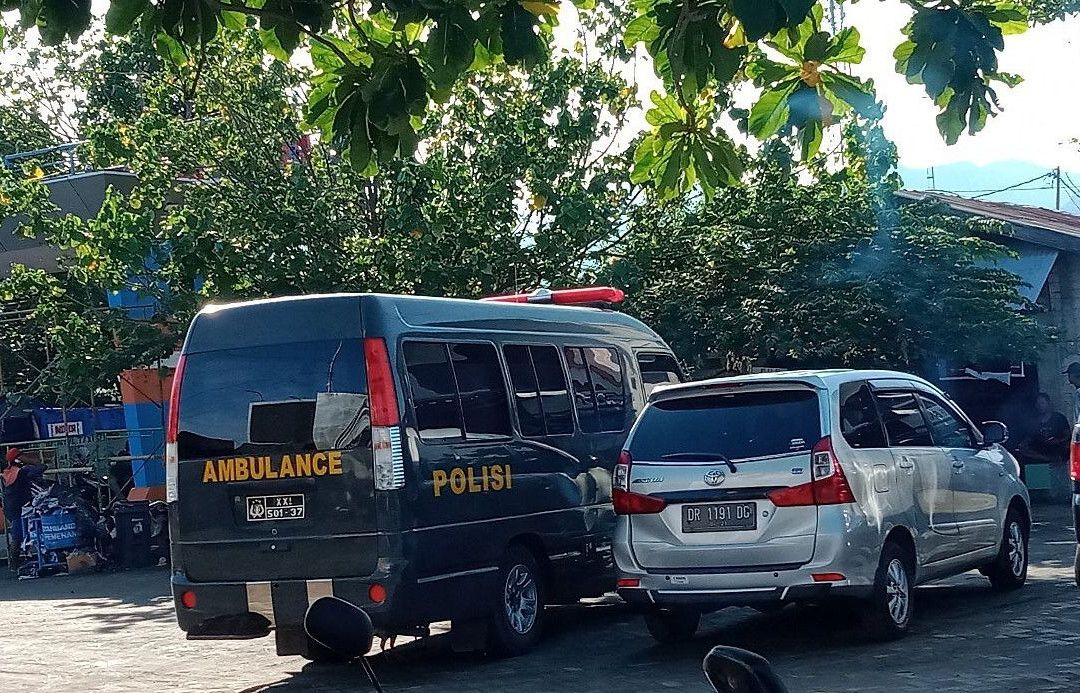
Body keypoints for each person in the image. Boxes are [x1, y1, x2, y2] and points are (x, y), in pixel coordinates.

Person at [1, 447, 45, 567]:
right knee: (19, 534)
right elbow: (41, 468)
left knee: (18, 534)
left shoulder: (8, 471)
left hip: (12, 507)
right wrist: (30, 461)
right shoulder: (22, 471)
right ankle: (14, 562)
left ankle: (15, 561)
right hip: (21, 507)